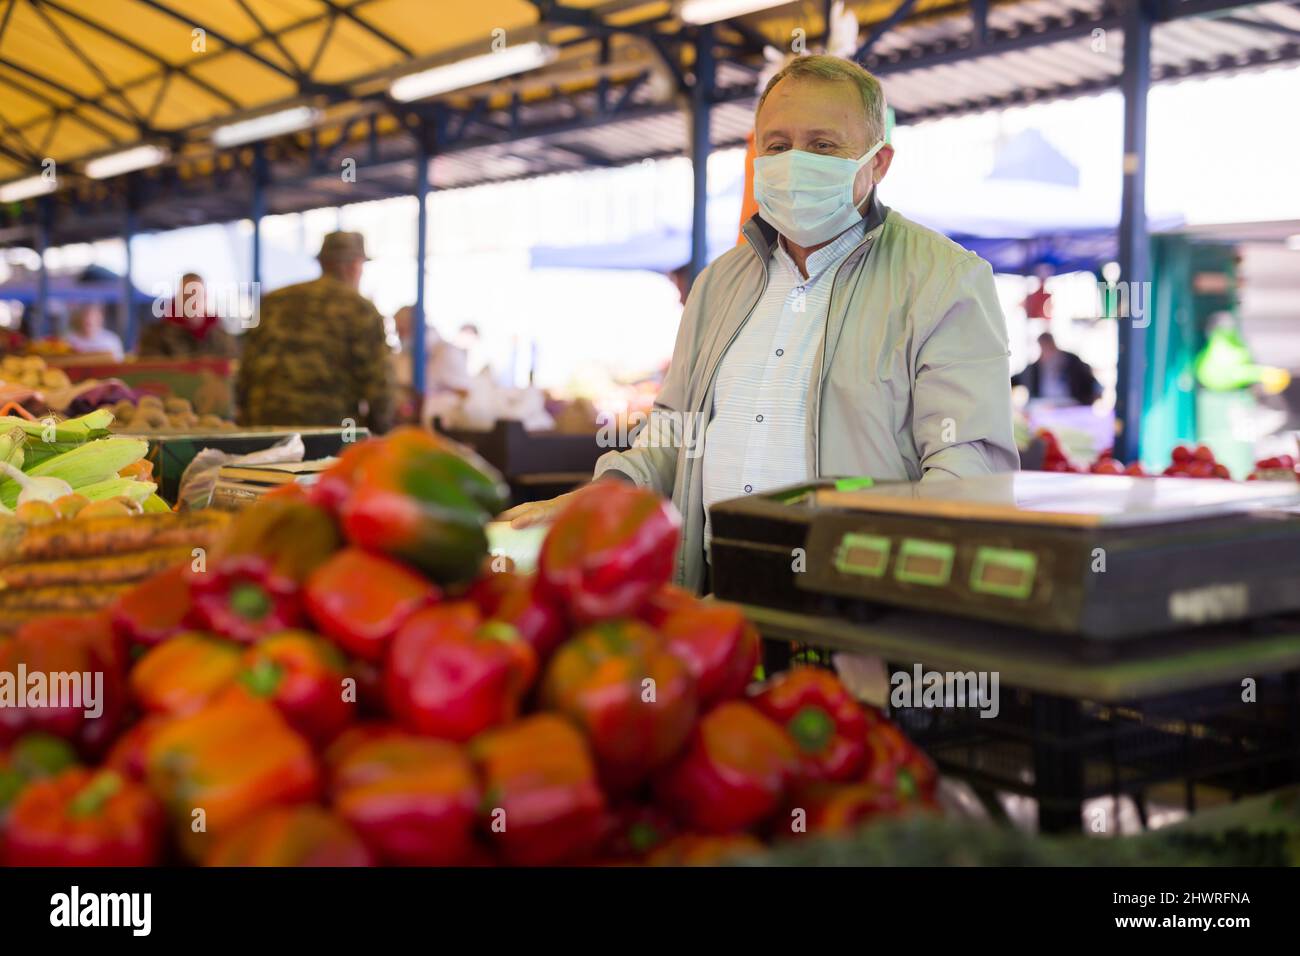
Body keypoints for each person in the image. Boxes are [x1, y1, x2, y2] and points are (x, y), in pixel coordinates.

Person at [503, 54, 1018, 592]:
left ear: (878, 163)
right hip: (717, 585)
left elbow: (967, 470)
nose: (796, 161)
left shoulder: (945, 280)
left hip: (855, 594)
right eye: (777, 145)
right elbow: (673, 436)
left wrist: (891, 594)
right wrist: (598, 497)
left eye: (823, 145)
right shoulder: (718, 284)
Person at [236, 231, 394, 432]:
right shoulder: (360, 309)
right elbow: (380, 387)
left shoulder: (273, 301)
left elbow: (245, 369)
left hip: (264, 425)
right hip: (330, 430)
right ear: (355, 266)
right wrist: (379, 434)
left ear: (322, 262)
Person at [138, 273, 238, 359]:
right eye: (187, 296)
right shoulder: (155, 336)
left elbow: (232, 366)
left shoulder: (221, 336)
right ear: (177, 298)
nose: (192, 301)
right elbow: (150, 369)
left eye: (197, 295)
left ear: (205, 297)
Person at [1012, 332, 1100, 407]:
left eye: (1047, 346)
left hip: (1071, 406)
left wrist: (1094, 394)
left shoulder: (1072, 361)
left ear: (1053, 344)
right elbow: (1016, 379)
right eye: (1042, 347)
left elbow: (1091, 381)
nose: (1045, 351)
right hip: (1044, 406)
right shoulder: (1034, 368)